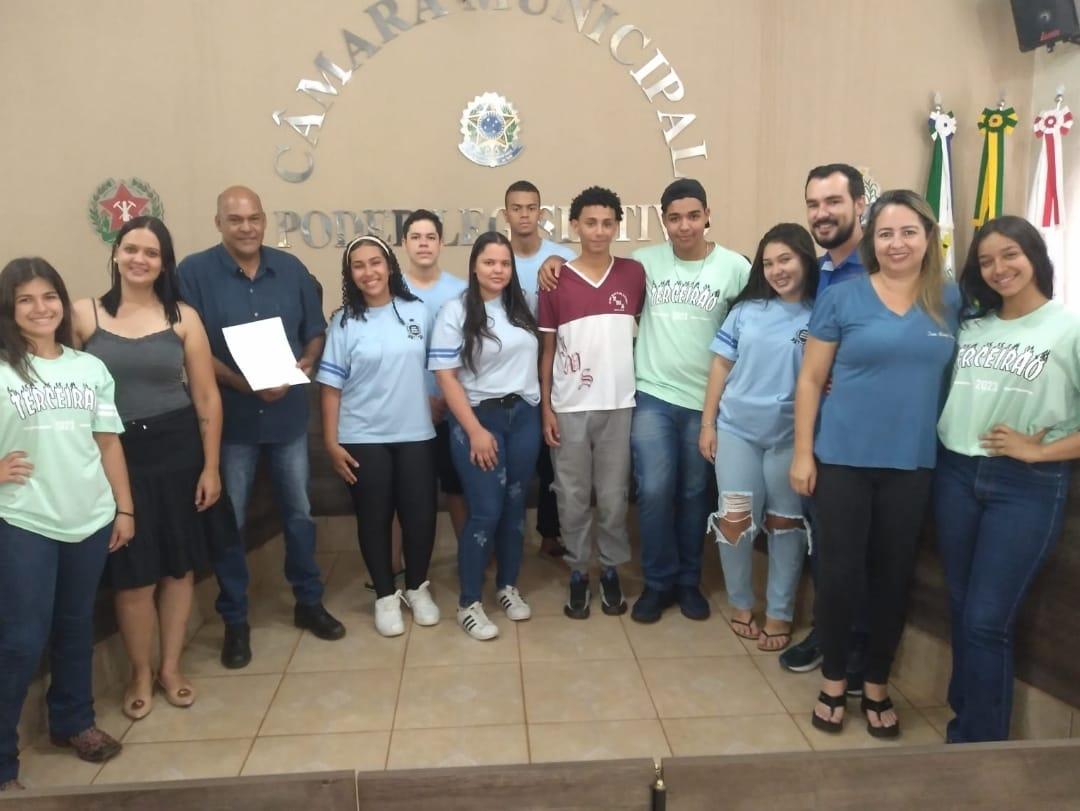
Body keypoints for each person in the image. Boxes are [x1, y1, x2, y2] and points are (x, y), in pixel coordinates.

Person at [790, 189, 959, 738]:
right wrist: (802, 453)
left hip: (911, 465)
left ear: (928, 237)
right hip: (841, 460)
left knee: (892, 579)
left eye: (908, 231)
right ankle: (836, 679)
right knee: (839, 577)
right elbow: (812, 379)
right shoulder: (843, 298)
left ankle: (878, 683)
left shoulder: (951, 301)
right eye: (885, 233)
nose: (896, 243)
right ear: (871, 239)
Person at [73, 216, 238, 720]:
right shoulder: (84, 315)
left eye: (151, 252)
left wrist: (210, 467)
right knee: (133, 575)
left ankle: (170, 667)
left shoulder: (183, 317)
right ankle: (139, 672)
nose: (140, 259)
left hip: (178, 449)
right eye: (131, 249)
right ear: (116, 253)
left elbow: (207, 396)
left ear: (164, 262)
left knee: (178, 568)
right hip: (113, 454)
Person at [177, 186, 344, 669]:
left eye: (253, 218)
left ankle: (308, 602)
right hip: (231, 423)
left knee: (300, 514)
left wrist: (304, 365)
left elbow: (315, 332)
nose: (246, 227)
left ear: (264, 220)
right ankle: (235, 621)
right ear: (219, 223)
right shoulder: (193, 273)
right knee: (232, 522)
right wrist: (245, 384)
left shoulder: (289, 269)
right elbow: (193, 349)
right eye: (235, 220)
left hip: (289, 416)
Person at [935, 216, 1080, 743]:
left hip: (1024, 487)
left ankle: (979, 746)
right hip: (955, 474)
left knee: (986, 620)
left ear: (1035, 255)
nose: (999, 269)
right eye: (987, 260)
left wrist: (1039, 451)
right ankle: (964, 718)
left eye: (1010, 255)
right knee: (960, 608)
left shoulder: (1068, 328)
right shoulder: (973, 325)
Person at [0, 258, 133, 792]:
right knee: (23, 639)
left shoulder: (88, 367)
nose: (40, 308)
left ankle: (74, 722)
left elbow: (108, 442)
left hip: (90, 515)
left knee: (75, 626)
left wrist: (124, 508)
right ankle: (3, 754)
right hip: (25, 518)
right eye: (26, 299)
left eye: (49, 296)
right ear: (10, 308)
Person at [699, 223, 817, 651]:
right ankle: (741, 602)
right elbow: (719, 368)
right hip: (736, 433)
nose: (776, 269)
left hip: (790, 438)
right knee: (735, 521)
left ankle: (781, 612)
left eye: (785, 259)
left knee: (785, 525)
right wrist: (708, 423)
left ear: (805, 258)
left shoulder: (822, 314)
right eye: (768, 262)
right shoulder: (745, 311)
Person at [317, 235, 440, 637]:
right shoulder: (343, 322)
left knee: (420, 516)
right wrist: (332, 443)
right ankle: (385, 595)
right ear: (350, 274)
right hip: (362, 435)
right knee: (374, 517)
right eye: (358, 265)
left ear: (390, 266)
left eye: (375, 262)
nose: (368, 272)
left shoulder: (418, 312)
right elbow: (331, 388)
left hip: (416, 433)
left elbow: (442, 367)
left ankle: (417, 588)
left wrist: (439, 403)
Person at [781, 164, 872, 688]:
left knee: (860, 552)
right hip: (819, 434)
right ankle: (830, 634)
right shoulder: (822, 273)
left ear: (859, 203)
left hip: (867, 440)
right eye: (814, 204)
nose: (823, 213)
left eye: (834, 202)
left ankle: (857, 648)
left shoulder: (881, 267)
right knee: (827, 543)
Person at [538, 186, 645, 618]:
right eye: (590, 222)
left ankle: (613, 568)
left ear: (617, 226)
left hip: (620, 403)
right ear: (574, 225)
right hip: (569, 405)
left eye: (607, 223)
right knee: (573, 494)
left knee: (615, 495)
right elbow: (546, 351)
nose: (598, 231)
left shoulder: (635, 274)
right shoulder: (555, 278)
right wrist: (546, 406)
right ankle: (580, 570)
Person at [428, 231, 541, 640]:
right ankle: (468, 603)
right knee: (486, 511)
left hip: (524, 417)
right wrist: (474, 430)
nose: (498, 270)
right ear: (474, 266)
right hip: (479, 420)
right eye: (489, 262)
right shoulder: (456, 311)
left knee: (514, 510)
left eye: (505, 263)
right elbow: (445, 376)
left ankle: (507, 587)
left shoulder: (522, 307)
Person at [504, 180, 576, 559]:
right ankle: (506, 538)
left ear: (541, 213)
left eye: (531, 207)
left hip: (555, 365)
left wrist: (562, 265)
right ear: (506, 215)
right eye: (517, 208)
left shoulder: (561, 256)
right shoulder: (498, 256)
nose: (525, 214)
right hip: (509, 370)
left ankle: (551, 533)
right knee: (512, 457)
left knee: (553, 454)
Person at [401, 210, 468, 545]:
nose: (423, 244)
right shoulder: (389, 291)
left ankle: (470, 560)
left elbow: (472, 352)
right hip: (406, 410)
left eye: (430, 237)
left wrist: (448, 396)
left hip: (454, 407)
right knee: (411, 492)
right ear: (404, 243)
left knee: (457, 486)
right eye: (416, 237)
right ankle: (411, 572)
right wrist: (421, 399)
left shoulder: (462, 291)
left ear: (441, 243)